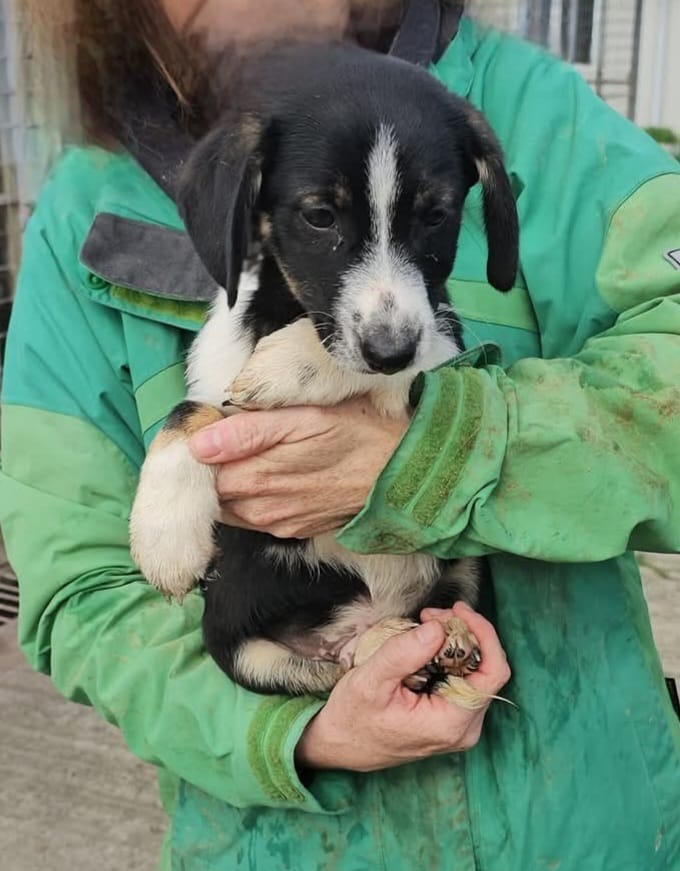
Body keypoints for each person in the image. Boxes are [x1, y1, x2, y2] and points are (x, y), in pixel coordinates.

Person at [1, 1, 679, 868]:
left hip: (581, 827)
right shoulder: (83, 209)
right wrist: (298, 730)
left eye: (435, 219)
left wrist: (446, 448)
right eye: (320, 216)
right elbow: (79, 593)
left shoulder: (522, 109)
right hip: (280, 835)